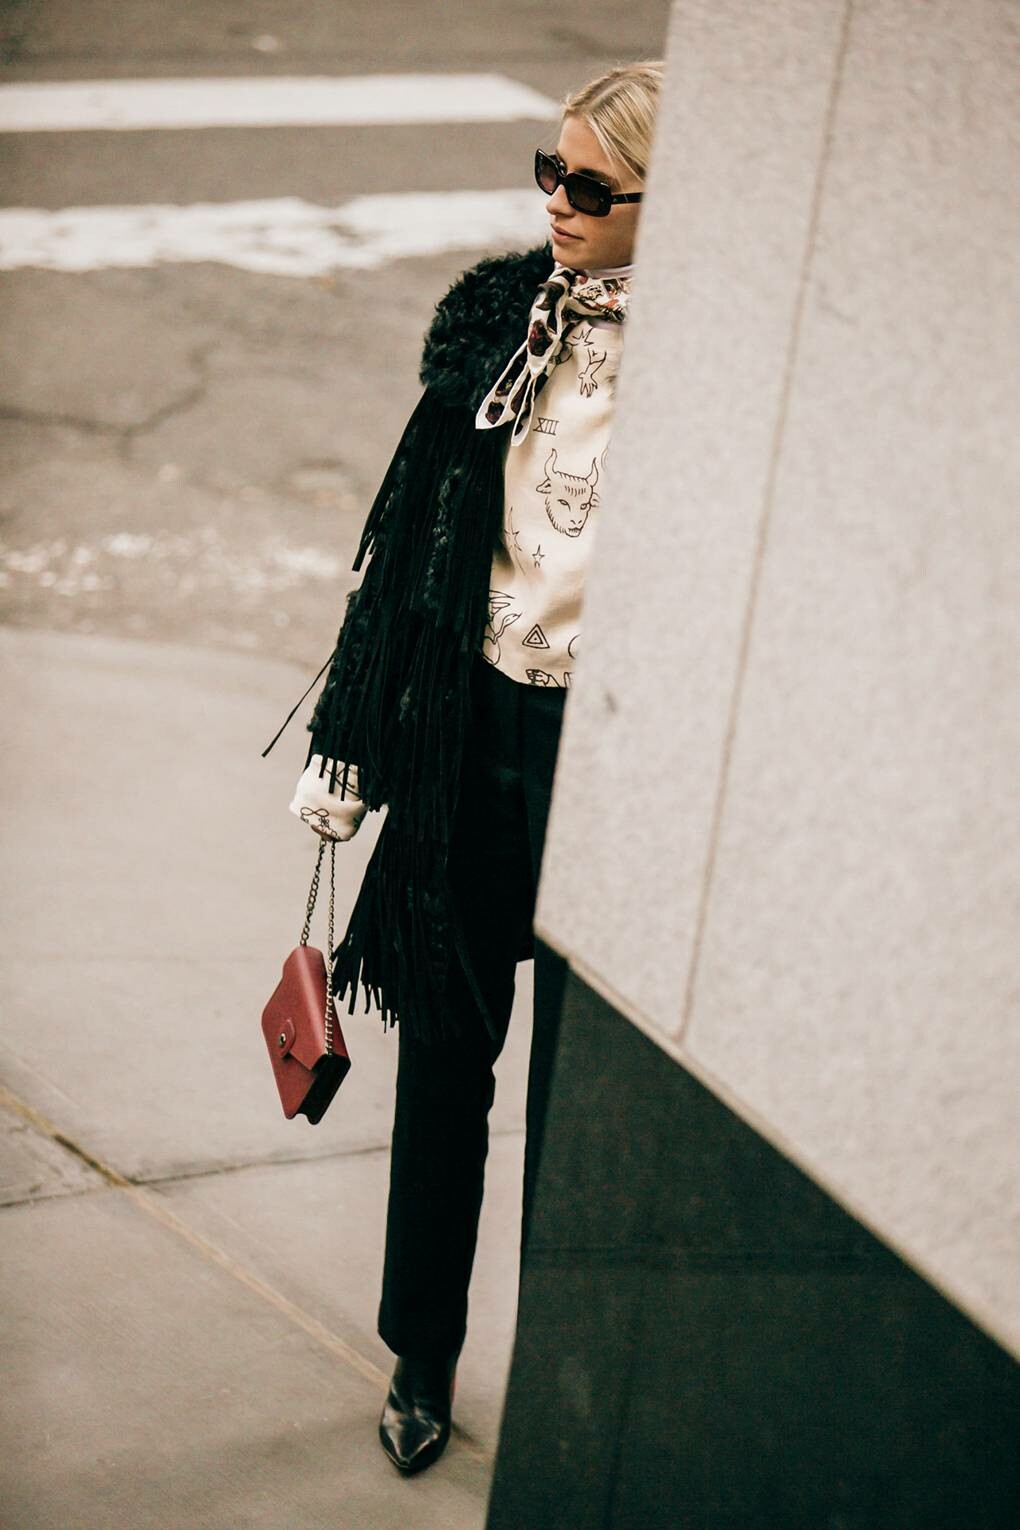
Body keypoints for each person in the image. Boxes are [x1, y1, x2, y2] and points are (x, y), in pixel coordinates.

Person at [264, 59, 662, 1475]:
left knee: (581, 1108)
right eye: (550, 173)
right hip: (473, 742)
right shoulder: (496, 323)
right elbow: (409, 559)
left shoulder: (717, 378)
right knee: (445, 1065)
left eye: (595, 187)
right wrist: (354, 743)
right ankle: (421, 1353)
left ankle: (568, 1375)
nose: (560, 204)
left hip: (616, 771)